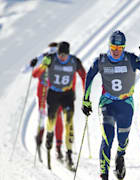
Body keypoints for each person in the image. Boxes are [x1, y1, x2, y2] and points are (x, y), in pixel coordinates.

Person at [81, 30, 140, 180]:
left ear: (123, 47)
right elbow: (89, 76)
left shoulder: (131, 59)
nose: (116, 51)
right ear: (109, 46)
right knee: (107, 139)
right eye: (113, 48)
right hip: (107, 103)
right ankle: (104, 175)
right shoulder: (101, 60)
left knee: (122, 141)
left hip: (126, 104)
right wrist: (85, 100)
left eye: (119, 48)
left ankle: (120, 156)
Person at [34, 41, 86, 170]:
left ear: (68, 54)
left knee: (69, 123)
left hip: (67, 95)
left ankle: (69, 155)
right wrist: (42, 66)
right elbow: (35, 74)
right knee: (51, 121)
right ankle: (49, 134)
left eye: (64, 55)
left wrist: (86, 92)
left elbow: (84, 75)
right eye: (60, 54)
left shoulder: (74, 61)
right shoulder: (51, 59)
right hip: (53, 94)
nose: (62, 57)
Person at [23, 42, 64, 161]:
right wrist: (36, 64)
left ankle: (58, 147)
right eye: (51, 53)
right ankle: (40, 138)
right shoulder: (43, 59)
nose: (53, 56)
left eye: (55, 53)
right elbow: (30, 73)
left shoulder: (60, 61)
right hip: (42, 95)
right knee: (41, 117)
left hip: (55, 95)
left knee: (58, 118)